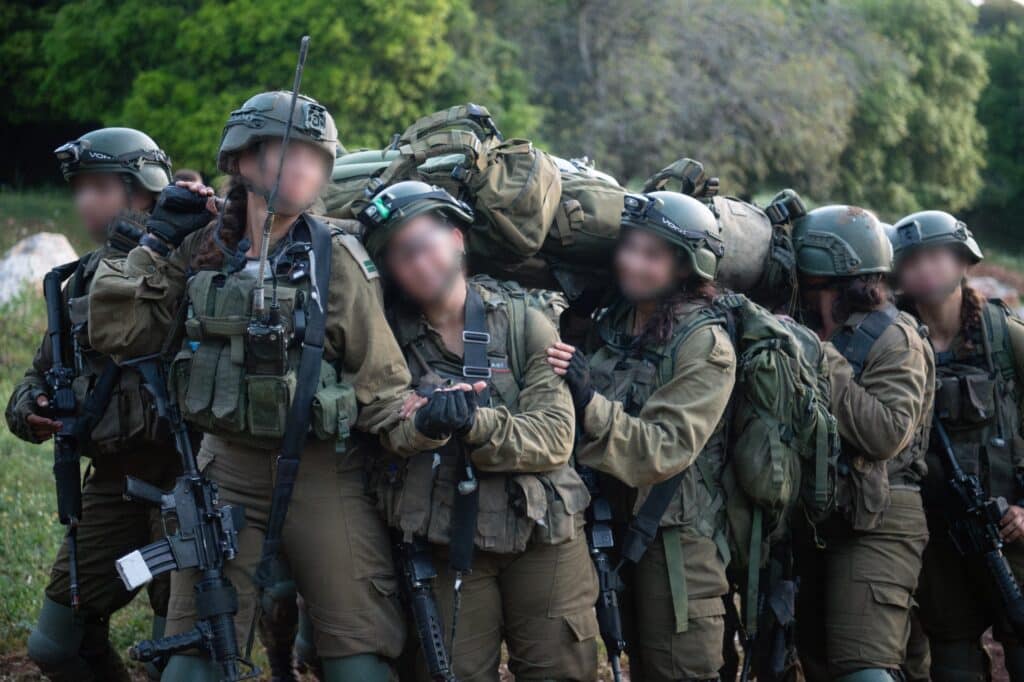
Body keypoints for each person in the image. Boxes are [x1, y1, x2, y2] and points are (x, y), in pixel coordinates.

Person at [87, 91, 447, 682]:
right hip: (224, 472)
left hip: (323, 474)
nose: (304, 166)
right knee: (190, 668)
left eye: (316, 156)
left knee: (359, 667)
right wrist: (154, 243)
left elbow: (382, 391)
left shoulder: (337, 259)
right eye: (288, 151)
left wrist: (426, 421)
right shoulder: (201, 247)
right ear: (242, 158)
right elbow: (115, 332)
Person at [360, 180, 600, 681]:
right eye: (400, 256)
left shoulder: (525, 322)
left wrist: (473, 421)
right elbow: (387, 423)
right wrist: (424, 423)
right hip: (447, 537)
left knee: (558, 669)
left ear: (456, 240)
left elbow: (554, 437)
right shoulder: (389, 337)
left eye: (423, 244)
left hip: (543, 533)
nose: (417, 263)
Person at [4, 127, 178, 681]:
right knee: (57, 644)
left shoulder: (193, 265)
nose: (85, 201)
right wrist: (31, 406)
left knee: (178, 655)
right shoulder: (80, 280)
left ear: (145, 189)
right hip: (114, 483)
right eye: (80, 188)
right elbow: (35, 374)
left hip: (190, 480)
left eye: (100, 187)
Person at [547, 190, 737, 682]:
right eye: (629, 248)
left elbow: (664, 449)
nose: (632, 263)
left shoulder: (705, 343)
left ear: (686, 266)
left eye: (651, 255)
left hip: (677, 544)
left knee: (679, 670)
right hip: (608, 522)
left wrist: (589, 401)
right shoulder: (615, 320)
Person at [791, 205, 935, 682]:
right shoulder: (805, 324)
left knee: (863, 669)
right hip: (817, 515)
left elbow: (886, 433)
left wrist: (819, 358)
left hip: (882, 516)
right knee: (818, 660)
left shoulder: (896, 338)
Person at [892, 210, 1024, 681]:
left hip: (1010, 531)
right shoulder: (891, 342)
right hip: (936, 540)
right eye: (911, 261)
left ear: (964, 260)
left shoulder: (1005, 338)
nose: (924, 268)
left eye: (936, 256)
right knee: (951, 658)